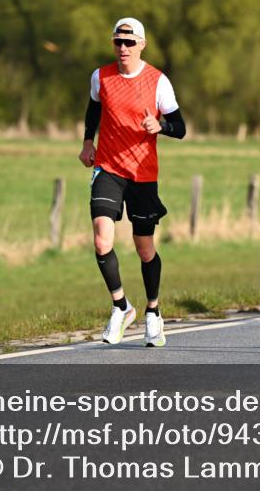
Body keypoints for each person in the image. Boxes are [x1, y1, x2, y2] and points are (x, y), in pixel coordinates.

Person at [80, 18, 186, 347]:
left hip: (143, 173)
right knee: (101, 241)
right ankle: (121, 307)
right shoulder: (101, 76)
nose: (122, 48)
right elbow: (94, 108)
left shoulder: (158, 81)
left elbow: (180, 127)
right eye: (117, 42)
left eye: (128, 42)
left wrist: (161, 127)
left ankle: (153, 312)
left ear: (141, 44)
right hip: (108, 167)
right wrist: (87, 141)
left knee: (144, 249)